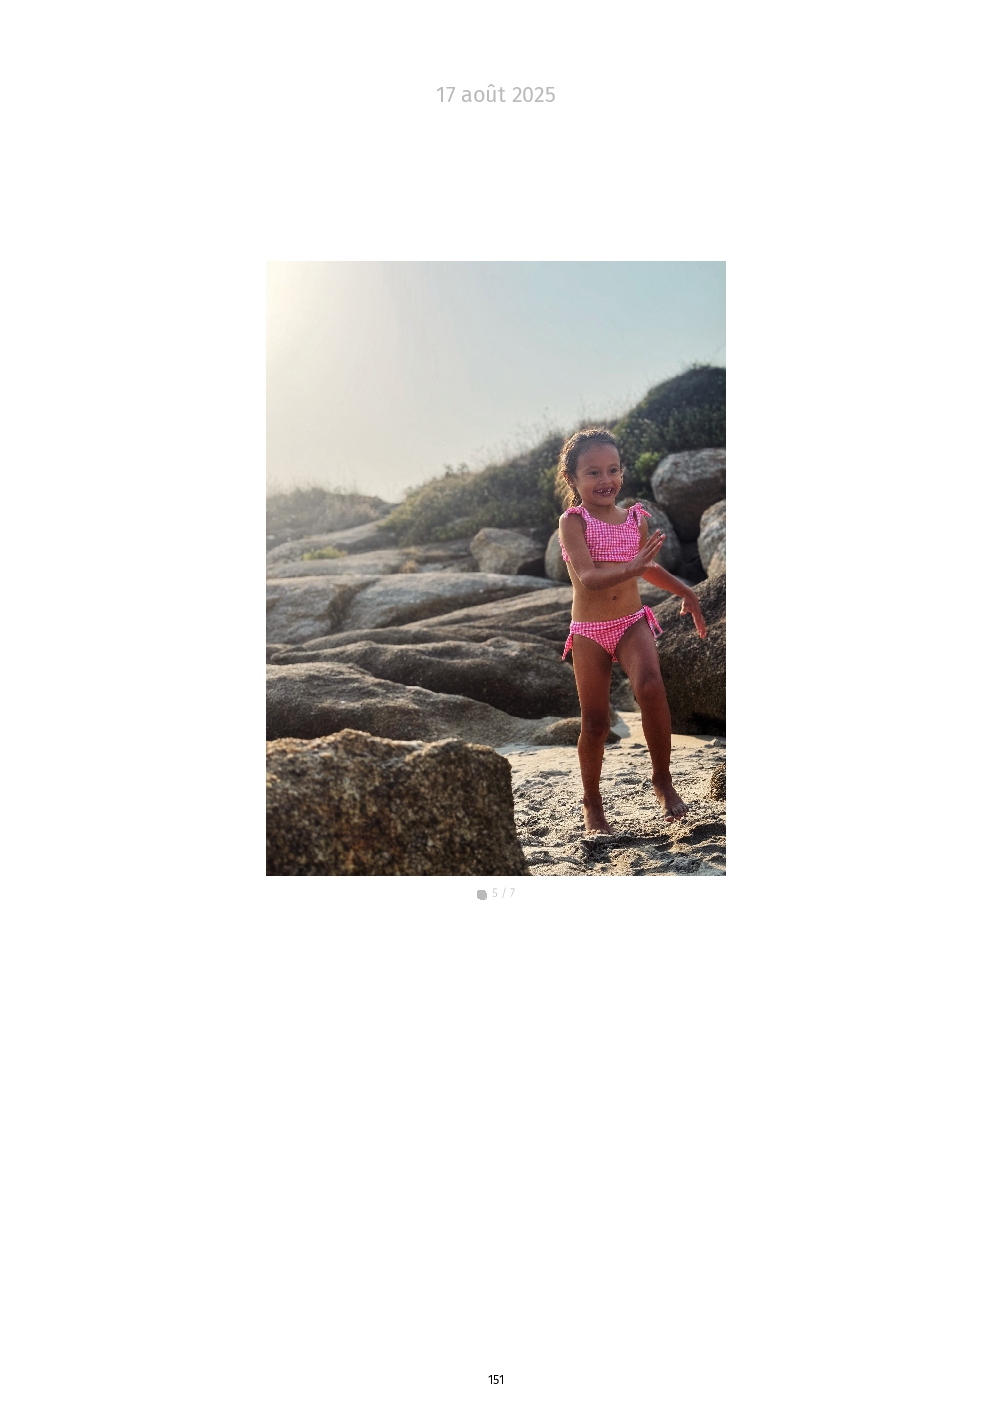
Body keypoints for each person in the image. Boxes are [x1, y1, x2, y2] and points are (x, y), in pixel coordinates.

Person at [556, 427, 708, 832]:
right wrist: (633, 567)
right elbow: (589, 577)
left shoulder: (634, 518)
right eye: (593, 472)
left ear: (622, 472)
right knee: (596, 723)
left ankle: (663, 780)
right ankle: (592, 802)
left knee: (652, 687)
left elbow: (647, 568)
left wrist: (686, 592)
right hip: (589, 630)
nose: (605, 479)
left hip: (630, 622)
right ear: (572, 478)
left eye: (613, 469)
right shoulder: (573, 522)